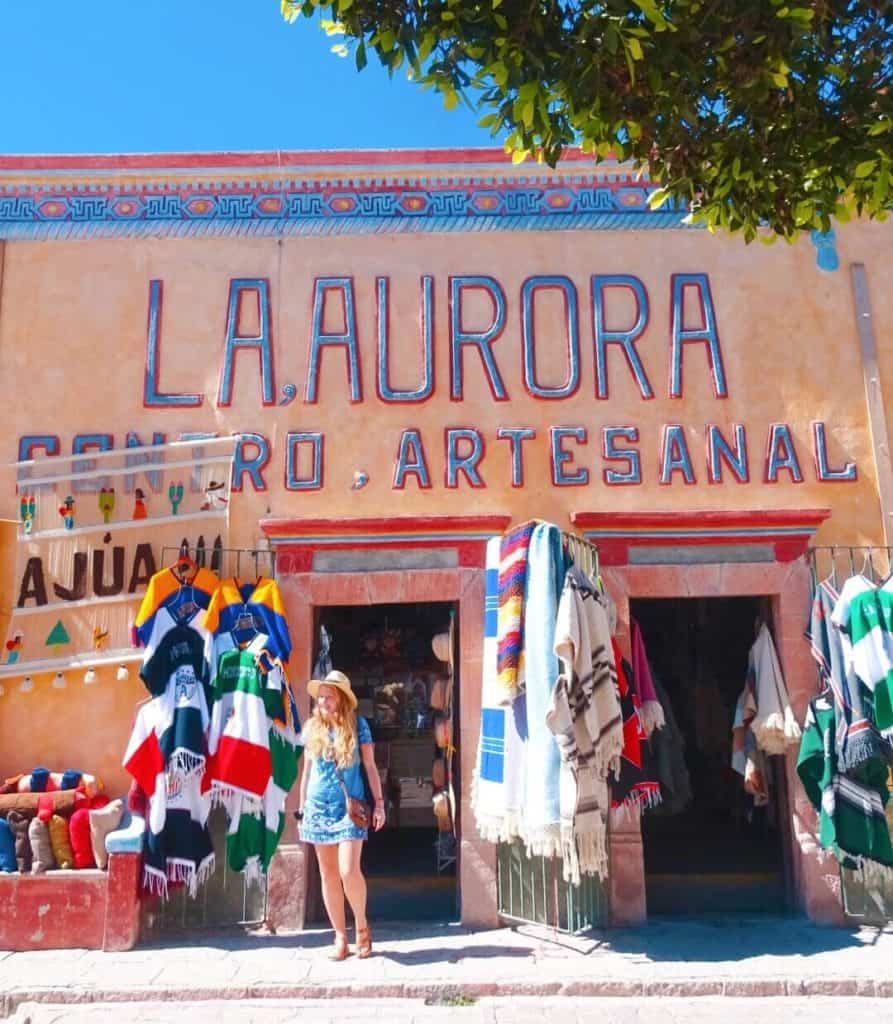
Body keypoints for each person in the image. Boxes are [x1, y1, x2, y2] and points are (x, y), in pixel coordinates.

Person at [296, 669, 385, 960]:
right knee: (329, 874)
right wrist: (301, 810)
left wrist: (380, 804)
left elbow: (370, 767)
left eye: (329, 697)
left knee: (348, 870)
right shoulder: (312, 728)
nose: (323, 702)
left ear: (342, 699)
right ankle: (339, 936)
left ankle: (361, 924)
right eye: (320, 697)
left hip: (350, 808)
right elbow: (306, 772)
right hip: (318, 807)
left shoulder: (358, 726)